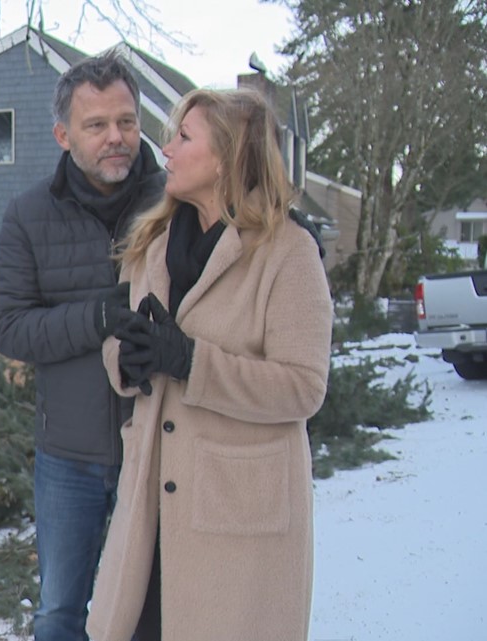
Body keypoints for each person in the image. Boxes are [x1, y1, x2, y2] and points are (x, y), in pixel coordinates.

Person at [86, 88, 333, 641]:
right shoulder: (152, 242)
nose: (166, 150)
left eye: (183, 137)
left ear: (225, 156)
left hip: (236, 524)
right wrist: (125, 358)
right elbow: (121, 342)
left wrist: (192, 362)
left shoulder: (288, 252)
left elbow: (303, 386)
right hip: (148, 510)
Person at [0, 50, 166, 641]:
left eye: (127, 122)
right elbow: (4, 324)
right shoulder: (29, 214)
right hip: (69, 456)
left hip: (161, 447)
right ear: (64, 135)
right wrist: (96, 319)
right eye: (97, 125)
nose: (117, 137)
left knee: (152, 611)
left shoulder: (177, 204)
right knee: (61, 612)